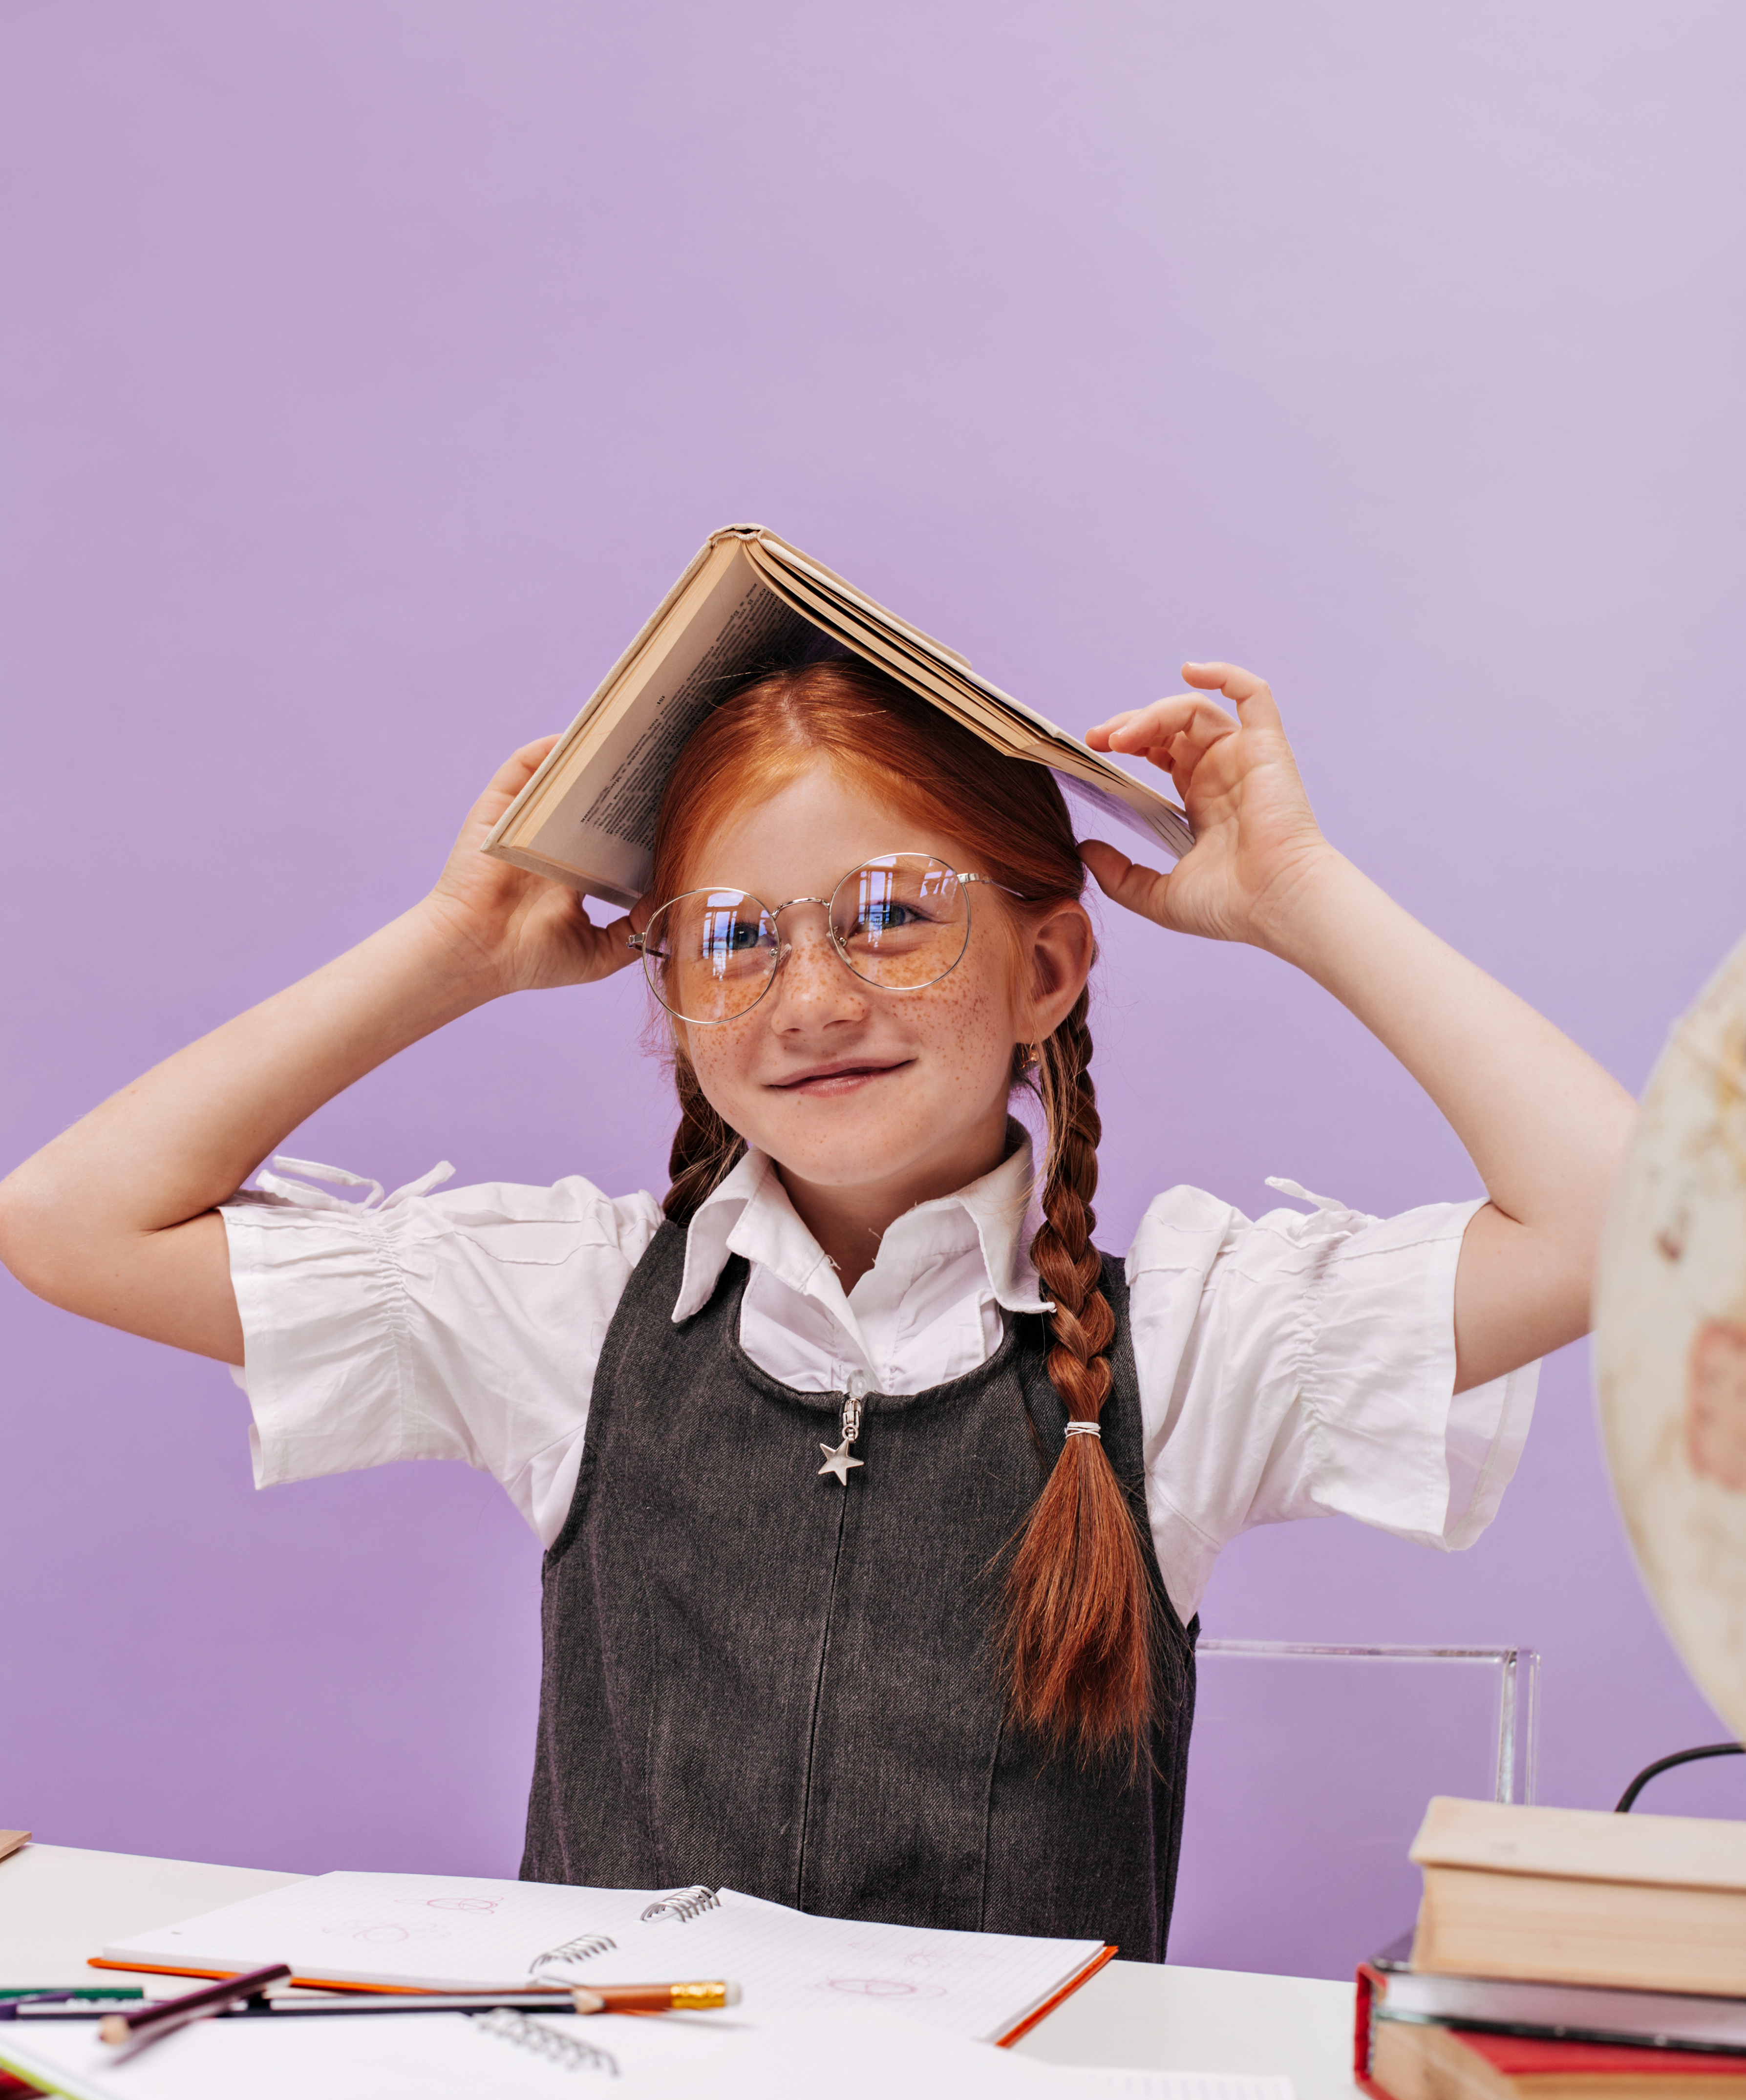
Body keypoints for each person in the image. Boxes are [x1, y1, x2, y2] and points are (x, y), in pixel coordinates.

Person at [0, 656, 1634, 1957]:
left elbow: (1633, 1226)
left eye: (893, 914)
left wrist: (1303, 894)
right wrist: (452, 948)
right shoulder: (568, 1303)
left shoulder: (1195, 1339)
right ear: (670, 993)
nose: (814, 1000)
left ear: (1049, 968)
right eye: (734, 939)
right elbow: (70, 1221)